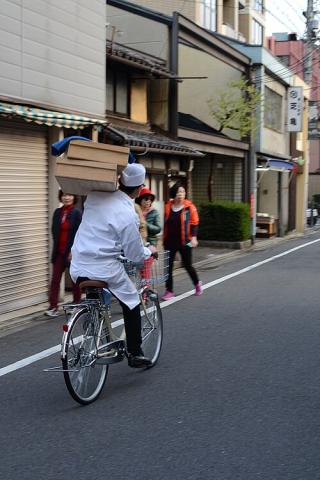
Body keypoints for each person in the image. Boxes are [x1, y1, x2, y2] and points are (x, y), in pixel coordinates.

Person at [70, 162, 153, 368]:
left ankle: (96, 329)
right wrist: (149, 252)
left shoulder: (95, 196)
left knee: (95, 298)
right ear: (140, 188)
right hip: (105, 268)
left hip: (78, 264)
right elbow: (134, 253)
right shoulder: (127, 213)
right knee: (132, 301)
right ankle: (134, 352)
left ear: (120, 180)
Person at [161, 182, 202, 300]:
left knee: (187, 265)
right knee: (168, 267)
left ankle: (197, 283)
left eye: (183, 192)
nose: (180, 194)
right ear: (174, 193)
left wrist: (194, 237)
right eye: (178, 192)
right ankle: (169, 290)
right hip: (169, 241)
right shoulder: (168, 206)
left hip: (185, 241)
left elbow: (194, 223)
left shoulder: (189, 207)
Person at [45, 192, 82, 317]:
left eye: (70, 195)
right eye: (64, 195)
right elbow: (54, 231)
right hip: (59, 251)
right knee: (55, 280)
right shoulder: (57, 212)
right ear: (60, 197)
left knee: (74, 280)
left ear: (74, 197)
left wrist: (73, 250)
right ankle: (53, 307)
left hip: (71, 252)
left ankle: (77, 303)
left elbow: (80, 233)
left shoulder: (77, 213)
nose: (67, 198)